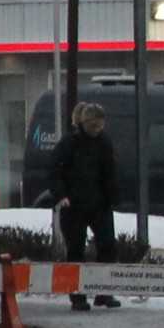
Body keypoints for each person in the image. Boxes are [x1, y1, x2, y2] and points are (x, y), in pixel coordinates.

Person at [49, 100, 122, 310]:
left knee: (107, 246)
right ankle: (77, 295)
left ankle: (104, 292)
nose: (96, 130)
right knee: (76, 249)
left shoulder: (104, 143)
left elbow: (110, 172)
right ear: (84, 123)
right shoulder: (69, 143)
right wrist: (61, 196)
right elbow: (55, 171)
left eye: (100, 126)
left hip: (99, 204)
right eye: (93, 126)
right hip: (74, 206)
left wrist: (112, 196)